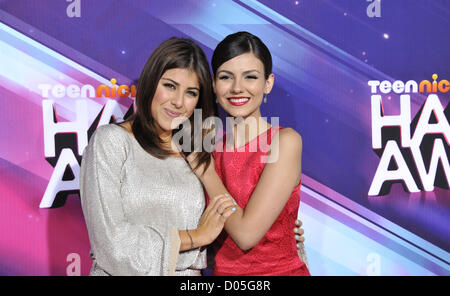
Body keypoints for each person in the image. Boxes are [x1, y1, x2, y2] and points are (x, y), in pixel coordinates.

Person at [79, 37, 237, 276]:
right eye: (170, 86)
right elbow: (112, 243)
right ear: (151, 82)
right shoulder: (112, 141)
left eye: (191, 93)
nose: (178, 102)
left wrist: (283, 233)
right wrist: (196, 236)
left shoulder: (196, 154)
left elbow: (223, 228)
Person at [188, 32, 310, 276]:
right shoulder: (209, 149)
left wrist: (206, 173)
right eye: (226, 77)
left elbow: (246, 235)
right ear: (213, 84)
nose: (237, 88)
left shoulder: (284, 141)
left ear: (268, 83)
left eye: (250, 77)